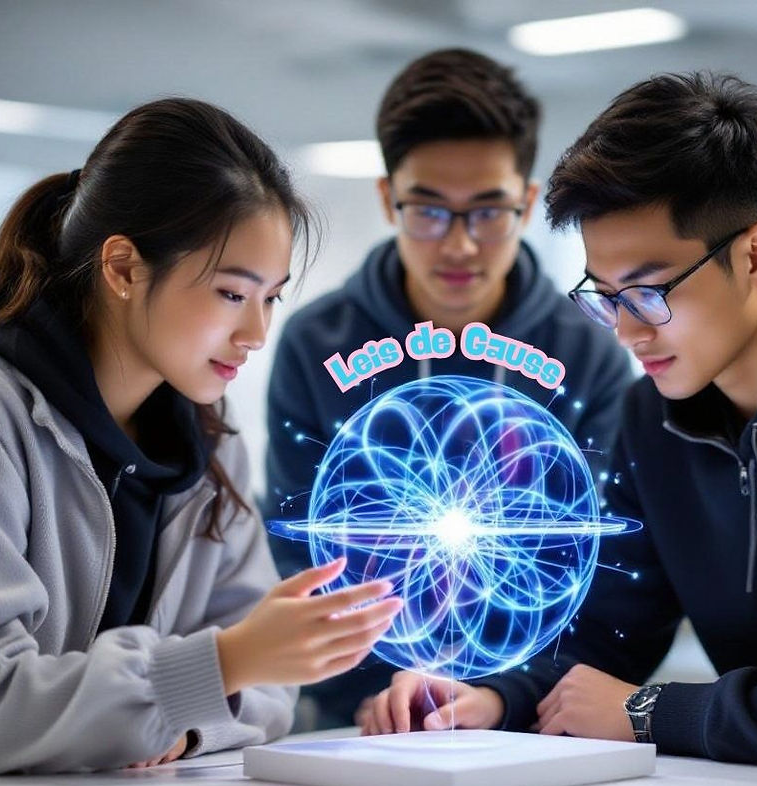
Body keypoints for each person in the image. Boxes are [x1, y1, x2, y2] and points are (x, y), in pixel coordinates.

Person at [362, 71, 757, 776]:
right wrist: (493, 697)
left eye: (648, 292)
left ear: (756, 255)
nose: (627, 332)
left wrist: (650, 713)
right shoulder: (653, 416)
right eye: (605, 296)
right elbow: (614, 632)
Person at [0, 98, 402, 775]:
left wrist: (187, 720)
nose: (256, 334)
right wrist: (217, 667)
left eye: (270, 298)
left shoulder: (211, 440)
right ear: (123, 268)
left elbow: (272, 693)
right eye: (232, 294)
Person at [264, 48, 633, 729]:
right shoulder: (315, 344)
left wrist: (504, 697)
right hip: (362, 716)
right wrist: (375, 692)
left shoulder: (589, 351)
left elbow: (601, 564)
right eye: (429, 211)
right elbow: (299, 551)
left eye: (488, 212)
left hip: (529, 719)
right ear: (388, 200)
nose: (460, 245)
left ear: (527, 203)